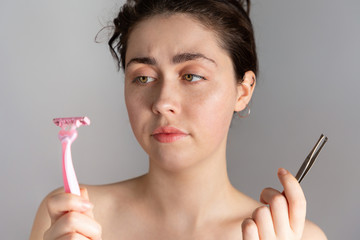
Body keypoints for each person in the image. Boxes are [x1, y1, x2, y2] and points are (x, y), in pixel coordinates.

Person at [30, 0, 327, 239]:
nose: (162, 103)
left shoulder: (298, 236)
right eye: (143, 77)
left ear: (243, 90)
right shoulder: (69, 218)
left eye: (191, 76)